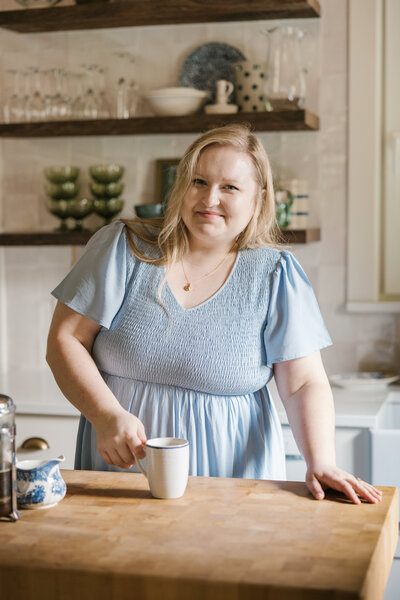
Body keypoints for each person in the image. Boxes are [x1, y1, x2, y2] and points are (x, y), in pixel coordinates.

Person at [47, 123, 382, 505]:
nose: (210, 198)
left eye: (230, 187)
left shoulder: (275, 275)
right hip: (121, 473)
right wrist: (106, 416)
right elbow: (65, 339)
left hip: (234, 481)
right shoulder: (123, 248)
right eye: (198, 181)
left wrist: (322, 461)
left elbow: (303, 383)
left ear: (258, 198)